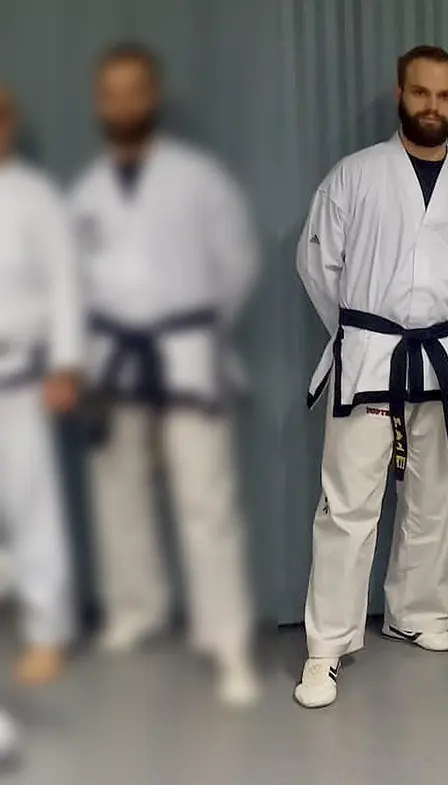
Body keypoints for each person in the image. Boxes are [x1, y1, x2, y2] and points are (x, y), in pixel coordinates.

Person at [290, 46, 448, 708]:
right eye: (421, 93)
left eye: (444, 96)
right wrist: (360, 332)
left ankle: (418, 612)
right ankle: (328, 646)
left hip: (443, 360)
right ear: (400, 94)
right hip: (372, 354)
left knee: (437, 497)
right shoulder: (355, 176)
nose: (432, 105)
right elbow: (318, 264)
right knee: (347, 506)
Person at [68, 43, 262, 705]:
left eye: (133, 90)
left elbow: (236, 261)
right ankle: (135, 608)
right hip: (113, 356)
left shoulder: (196, 177)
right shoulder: (87, 190)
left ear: (153, 96)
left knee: (205, 505)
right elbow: (75, 284)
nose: (122, 104)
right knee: (115, 492)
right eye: (110, 92)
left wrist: (196, 327)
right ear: (100, 103)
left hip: (184, 351)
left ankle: (226, 640)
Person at [0, 83, 82, 687]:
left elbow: (64, 286)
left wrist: (65, 364)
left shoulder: (33, 198)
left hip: (20, 374)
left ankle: (47, 630)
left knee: (32, 510)